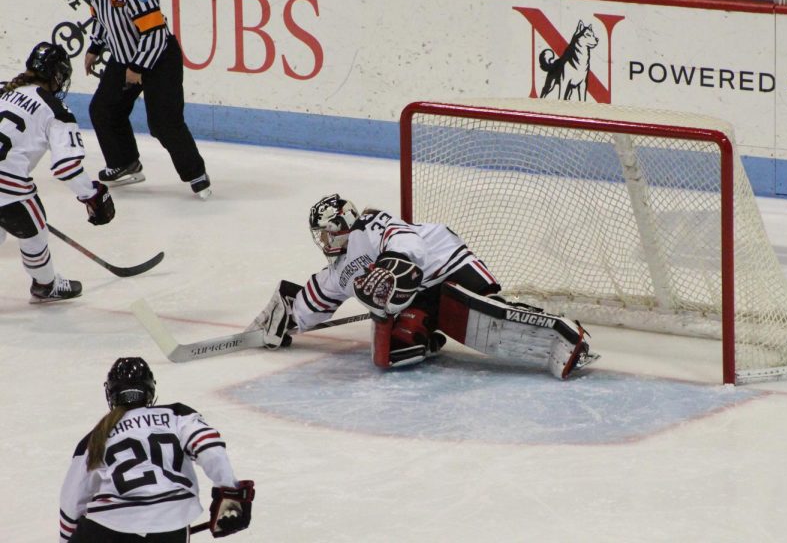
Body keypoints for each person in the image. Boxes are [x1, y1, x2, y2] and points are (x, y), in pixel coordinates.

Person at [248, 194, 598, 379]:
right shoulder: (336, 272)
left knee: (483, 308)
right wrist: (286, 320)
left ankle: (563, 332)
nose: (322, 241)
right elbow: (311, 303)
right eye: (319, 236)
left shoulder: (370, 224)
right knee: (390, 354)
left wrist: (389, 270)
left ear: (342, 224)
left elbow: (409, 244)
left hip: (445, 263)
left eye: (326, 232)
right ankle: (428, 330)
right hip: (420, 293)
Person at [59, 357, 255, 542]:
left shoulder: (95, 437)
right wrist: (230, 494)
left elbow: (72, 499)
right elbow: (210, 448)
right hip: (171, 524)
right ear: (150, 390)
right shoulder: (177, 415)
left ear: (111, 394)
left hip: (110, 526)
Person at [80, 0, 212, 199]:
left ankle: (196, 174)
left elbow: (155, 33)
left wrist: (137, 67)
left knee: (164, 124)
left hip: (160, 59)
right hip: (124, 57)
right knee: (103, 109)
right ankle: (125, 163)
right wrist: (95, 47)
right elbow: (101, 19)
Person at [0, 42, 115, 303]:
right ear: (57, 75)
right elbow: (67, 167)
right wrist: (92, 195)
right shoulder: (55, 110)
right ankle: (45, 284)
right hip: (8, 189)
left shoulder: (3, 88)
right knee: (34, 228)